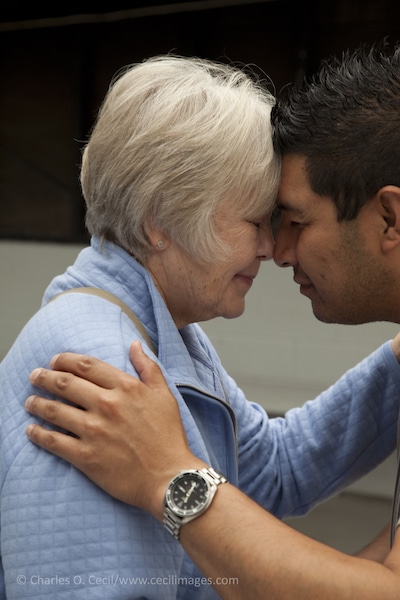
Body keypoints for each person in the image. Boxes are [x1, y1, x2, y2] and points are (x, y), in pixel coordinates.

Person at [21, 41, 400, 599]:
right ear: (162, 220)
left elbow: (271, 472)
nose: (274, 248)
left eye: (291, 220)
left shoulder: (159, 332)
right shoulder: (101, 366)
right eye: (258, 220)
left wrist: (170, 475)